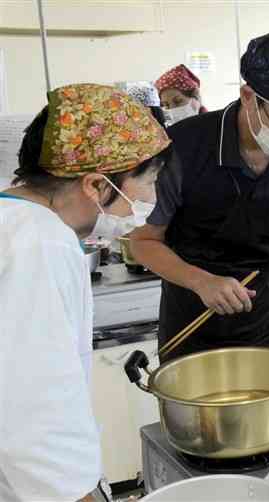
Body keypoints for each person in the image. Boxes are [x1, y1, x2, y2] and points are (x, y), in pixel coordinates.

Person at [0, 83, 170, 501]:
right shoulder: (40, 245)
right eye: (147, 182)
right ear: (95, 185)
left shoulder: (14, 220)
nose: (150, 198)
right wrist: (77, 494)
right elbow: (32, 407)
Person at [130, 27, 269, 361]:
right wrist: (202, 282)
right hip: (194, 308)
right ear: (248, 97)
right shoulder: (184, 145)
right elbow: (143, 242)